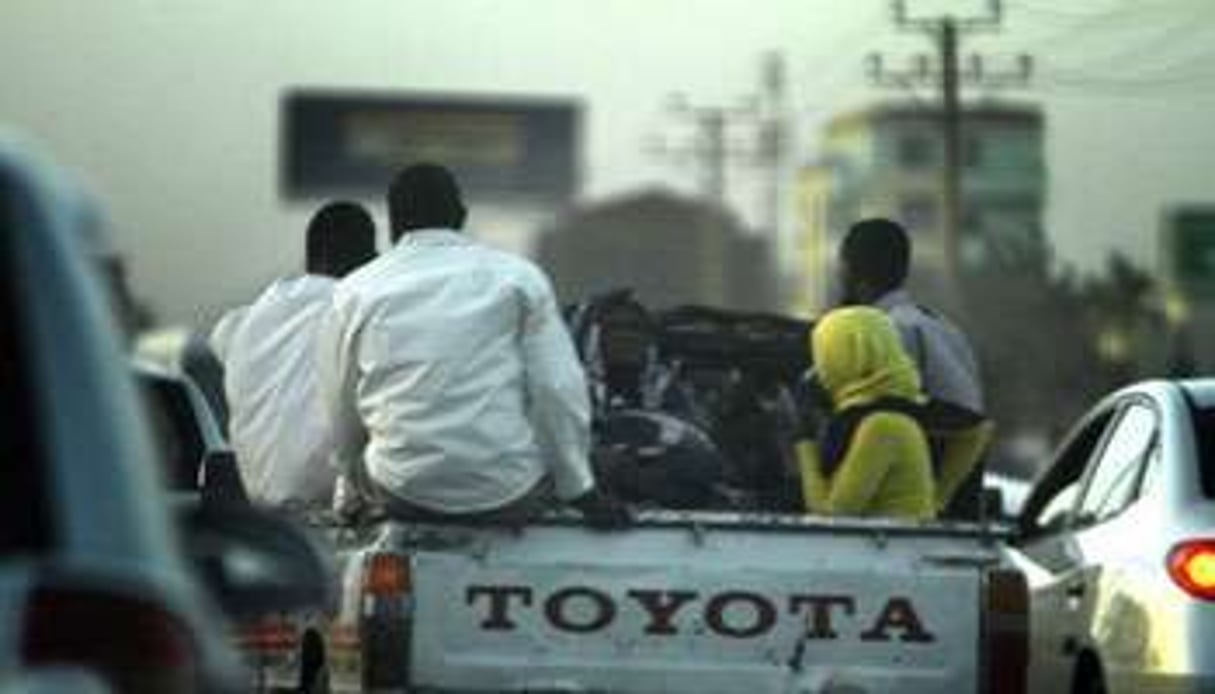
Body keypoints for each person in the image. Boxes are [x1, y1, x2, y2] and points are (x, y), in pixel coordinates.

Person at [319, 163, 627, 528]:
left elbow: (340, 407)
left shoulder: (353, 291)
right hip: (506, 493)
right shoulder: (519, 278)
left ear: (393, 224)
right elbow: (557, 389)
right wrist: (579, 488)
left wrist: (350, 485)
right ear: (461, 216)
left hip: (401, 492)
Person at [210, 201, 376, 507]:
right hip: (332, 511)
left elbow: (221, 337)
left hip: (262, 519)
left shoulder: (249, 320)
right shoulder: (357, 314)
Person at [837, 217, 987, 518]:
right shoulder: (941, 326)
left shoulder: (886, 331)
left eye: (841, 267)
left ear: (853, 273)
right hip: (957, 506)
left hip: (915, 514)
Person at [796, 307, 990, 520]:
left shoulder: (884, 425)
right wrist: (936, 501)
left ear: (842, 358)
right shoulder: (886, 413)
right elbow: (974, 428)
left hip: (889, 550)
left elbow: (831, 517)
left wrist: (803, 439)